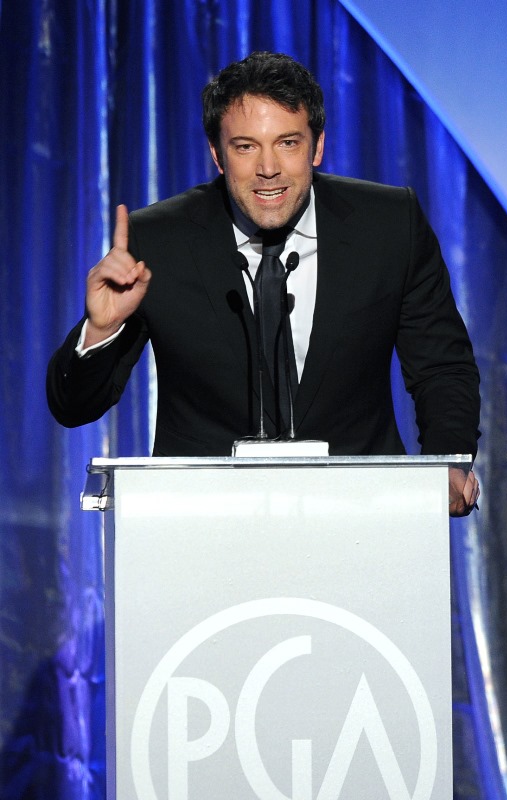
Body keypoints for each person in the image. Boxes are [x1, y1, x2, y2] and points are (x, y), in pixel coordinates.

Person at [46, 51, 481, 515]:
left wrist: (449, 461)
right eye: (245, 147)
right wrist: (101, 329)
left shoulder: (389, 225)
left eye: (288, 143)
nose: (268, 168)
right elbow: (73, 407)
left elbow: (441, 367)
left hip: (361, 516)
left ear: (317, 147)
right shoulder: (159, 241)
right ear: (217, 154)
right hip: (204, 525)